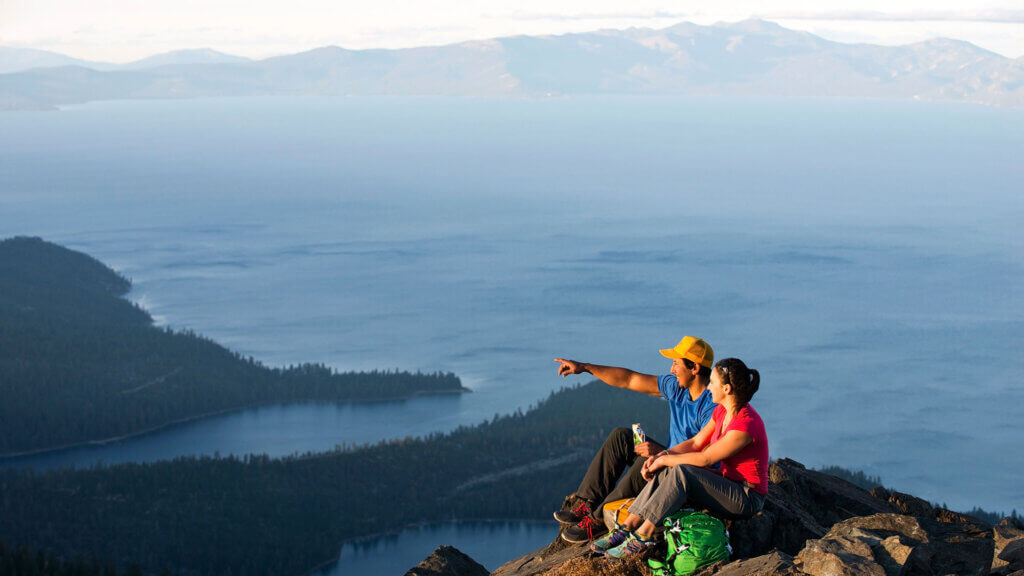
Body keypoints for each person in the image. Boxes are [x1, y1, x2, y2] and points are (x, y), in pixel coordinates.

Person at [592, 357, 768, 560]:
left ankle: (643, 536)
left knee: (682, 471)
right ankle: (628, 525)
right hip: (727, 483)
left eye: (713, 382)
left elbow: (705, 458)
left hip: (746, 497)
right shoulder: (722, 411)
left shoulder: (745, 425)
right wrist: (662, 456)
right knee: (669, 467)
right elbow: (695, 443)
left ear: (727, 389)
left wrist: (665, 460)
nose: (709, 387)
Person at [552, 336, 717, 543]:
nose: (672, 369)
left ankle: (597, 522)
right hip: (667, 456)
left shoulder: (711, 406)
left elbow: (704, 457)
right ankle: (586, 503)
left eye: (676, 363)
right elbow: (628, 379)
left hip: (685, 474)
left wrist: (662, 454)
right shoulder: (677, 388)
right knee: (621, 437)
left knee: (645, 465)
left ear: (695, 368)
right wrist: (584, 367)